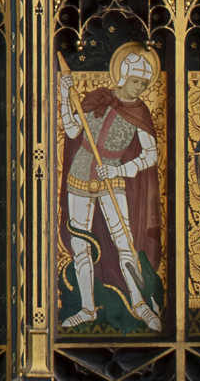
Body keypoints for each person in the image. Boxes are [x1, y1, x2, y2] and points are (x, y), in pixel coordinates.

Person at [59, 47, 162, 324]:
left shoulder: (139, 110)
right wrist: (64, 95)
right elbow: (71, 130)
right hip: (80, 174)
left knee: (123, 242)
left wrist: (122, 168)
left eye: (144, 84)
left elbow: (152, 155)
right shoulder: (98, 99)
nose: (140, 88)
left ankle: (139, 303)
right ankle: (87, 308)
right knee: (80, 245)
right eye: (136, 81)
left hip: (112, 178)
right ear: (123, 76)